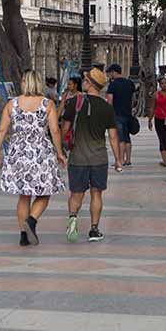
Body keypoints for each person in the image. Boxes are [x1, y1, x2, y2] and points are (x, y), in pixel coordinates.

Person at [0, 70, 67, 246]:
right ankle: (32, 220)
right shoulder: (47, 104)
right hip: (41, 153)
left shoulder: (12, 104)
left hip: (19, 153)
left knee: (24, 196)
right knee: (45, 191)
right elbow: (54, 130)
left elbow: (2, 130)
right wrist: (60, 153)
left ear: (26, 82)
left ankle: (24, 236)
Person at [60, 68, 122, 243]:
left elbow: (64, 129)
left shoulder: (74, 103)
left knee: (76, 193)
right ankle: (94, 230)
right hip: (99, 158)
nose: (83, 82)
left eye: (85, 79)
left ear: (90, 83)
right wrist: (118, 160)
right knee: (96, 194)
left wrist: (60, 149)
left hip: (78, 157)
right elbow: (113, 136)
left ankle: (72, 219)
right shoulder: (106, 108)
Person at [105, 64, 136, 167]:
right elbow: (133, 99)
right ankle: (128, 159)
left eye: (110, 73)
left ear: (114, 72)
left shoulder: (113, 85)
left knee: (120, 138)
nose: (110, 75)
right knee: (127, 137)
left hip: (117, 114)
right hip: (128, 113)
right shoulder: (130, 83)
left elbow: (110, 101)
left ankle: (120, 160)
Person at [149, 77, 166, 167]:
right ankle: (164, 160)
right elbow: (152, 108)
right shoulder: (156, 95)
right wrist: (150, 120)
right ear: (159, 85)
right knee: (162, 139)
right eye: (162, 83)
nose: (164, 85)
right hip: (159, 119)